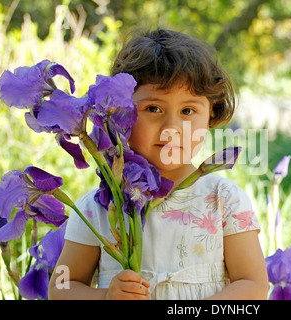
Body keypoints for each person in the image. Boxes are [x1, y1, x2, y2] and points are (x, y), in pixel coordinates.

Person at [48, 28, 268, 300]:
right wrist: (106, 297)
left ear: (211, 114)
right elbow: (60, 288)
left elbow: (253, 285)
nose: (172, 127)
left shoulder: (224, 200)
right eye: (153, 109)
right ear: (118, 113)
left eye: (188, 111)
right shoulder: (99, 208)